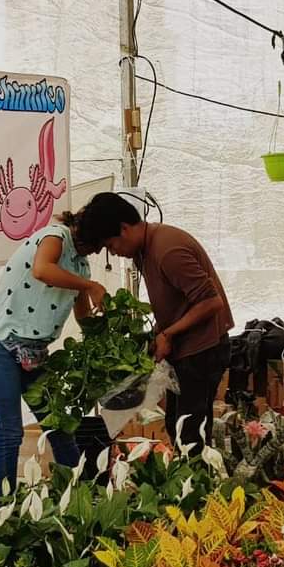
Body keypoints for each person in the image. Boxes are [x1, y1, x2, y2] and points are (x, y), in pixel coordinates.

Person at [79, 193, 234, 451]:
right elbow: (175, 300)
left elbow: (211, 302)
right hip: (186, 350)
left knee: (189, 431)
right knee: (177, 424)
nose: (113, 252)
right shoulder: (144, 250)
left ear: (124, 229)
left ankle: (199, 486)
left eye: (110, 245)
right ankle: (194, 481)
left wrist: (169, 334)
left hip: (203, 350)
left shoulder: (167, 250)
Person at [0, 210, 106, 496]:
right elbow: (42, 270)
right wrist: (89, 286)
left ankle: (77, 498)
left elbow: (83, 316)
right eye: (103, 241)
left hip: (34, 353)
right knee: (10, 432)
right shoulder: (55, 236)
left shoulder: (81, 266)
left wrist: (107, 332)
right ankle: (5, 509)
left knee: (60, 425)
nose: (102, 249)